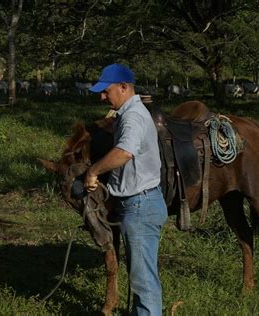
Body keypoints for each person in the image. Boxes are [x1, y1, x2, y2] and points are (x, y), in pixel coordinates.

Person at [85, 63, 168, 316]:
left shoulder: (132, 117)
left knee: (143, 281)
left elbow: (124, 153)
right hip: (141, 202)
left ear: (123, 87)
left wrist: (93, 171)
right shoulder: (131, 113)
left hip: (140, 205)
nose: (102, 97)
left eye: (106, 91)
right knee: (140, 275)